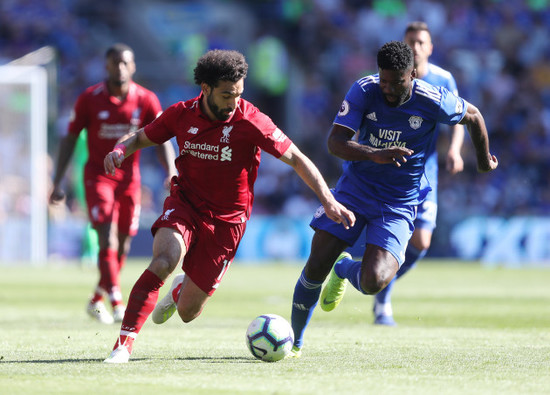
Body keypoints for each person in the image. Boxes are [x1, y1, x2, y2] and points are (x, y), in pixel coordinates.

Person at [102, 49, 355, 363]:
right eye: (226, 95)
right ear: (205, 89)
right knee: (164, 260)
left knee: (188, 313)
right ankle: (123, 344)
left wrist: (328, 200)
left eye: (238, 94)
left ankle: (181, 290)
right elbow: (141, 138)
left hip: (228, 222)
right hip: (186, 204)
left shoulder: (252, 120)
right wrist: (119, 149)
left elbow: (297, 159)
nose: (233, 102)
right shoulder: (181, 114)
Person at [289, 41, 498, 356]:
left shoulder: (433, 100)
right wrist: (375, 154)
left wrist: (483, 161)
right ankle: (294, 344)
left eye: (396, 82)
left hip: (399, 201)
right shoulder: (364, 90)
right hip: (354, 190)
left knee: (374, 281)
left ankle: (344, 270)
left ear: (412, 74)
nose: (387, 88)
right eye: (383, 79)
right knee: (316, 263)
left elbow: (474, 115)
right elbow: (335, 142)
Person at [50, 43, 177, 325]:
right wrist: (57, 181)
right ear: (106, 66)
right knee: (106, 236)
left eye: (125, 63)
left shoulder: (146, 100)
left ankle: (96, 299)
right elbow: (69, 139)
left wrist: (171, 171)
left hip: (130, 182)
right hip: (98, 178)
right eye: (115, 63)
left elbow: (162, 138)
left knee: (122, 245)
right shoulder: (89, 99)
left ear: (133, 67)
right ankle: (117, 302)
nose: (120, 68)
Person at [372, 21, 466, 326]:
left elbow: (462, 118)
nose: (416, 47)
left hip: (425, 174)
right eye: (410, 41)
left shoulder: (443, 79)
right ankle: (369, 280)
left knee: (422, 242)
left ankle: (383, 289)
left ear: (430, 48)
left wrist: (453, 150)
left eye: (421, 42)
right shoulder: (383, 81)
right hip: (386, 171)